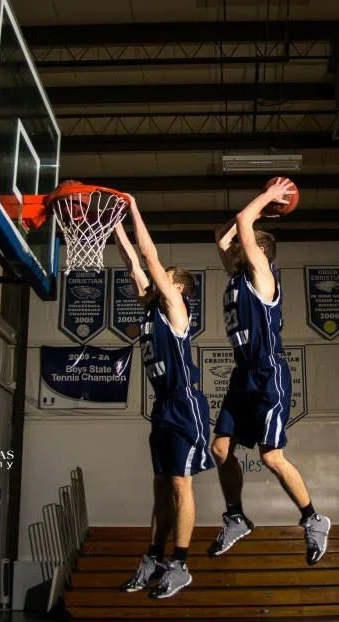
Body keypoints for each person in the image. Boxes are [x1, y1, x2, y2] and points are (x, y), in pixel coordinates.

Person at [209, 179, 331, 565]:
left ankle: (313, 519)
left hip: (268, 373)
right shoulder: (237, 275)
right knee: (220, 449)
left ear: (260, 250)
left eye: (247, 242)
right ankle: (235, 517)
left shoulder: (263, 273)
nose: (237, 246)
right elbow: (223, 237)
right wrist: (250, 215)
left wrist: (266, 200)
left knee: (272, 456)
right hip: (242, 374)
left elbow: (244, 222)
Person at [115, 195, 213, 599]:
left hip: (185, 402)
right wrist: (112, 222)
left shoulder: (176, 305)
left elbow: (149, 256)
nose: (156, 278)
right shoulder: (151, 307)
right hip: (162, 405)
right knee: (160, 486)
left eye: (163, 275)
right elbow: (132, 262)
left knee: (179, 483)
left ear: (176, 285)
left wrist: (134, 207)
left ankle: (181, 564)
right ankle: (154, 556)